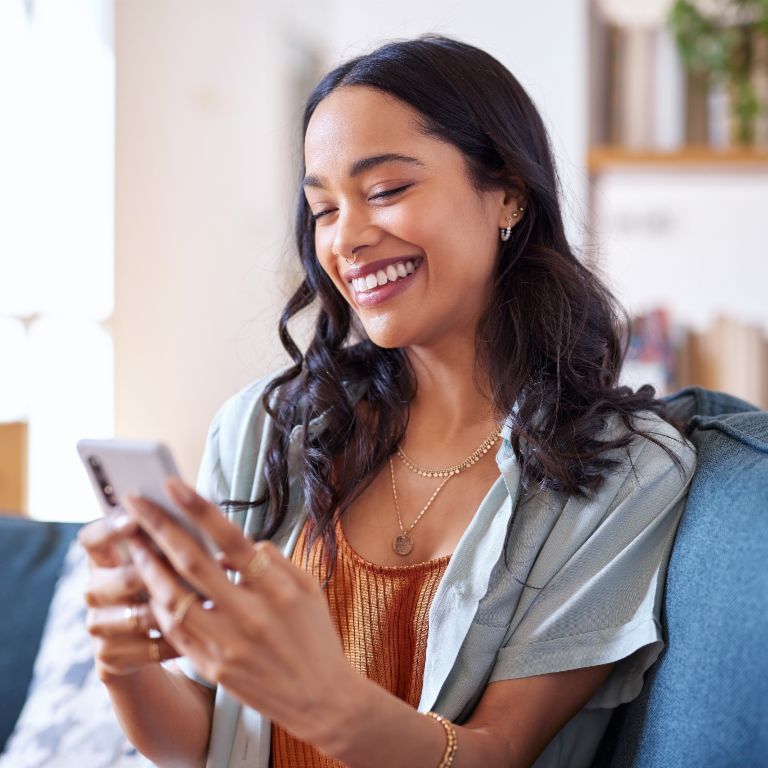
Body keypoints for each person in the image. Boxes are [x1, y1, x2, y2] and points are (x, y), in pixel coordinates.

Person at [79, 35, 696, 768]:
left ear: (508, 193)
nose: (347, 239)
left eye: (386, 191)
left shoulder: (621, 471)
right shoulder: (265, 428)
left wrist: (324, 702)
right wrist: (123, 664)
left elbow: (499, 753)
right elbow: (207, 739)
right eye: (323, 208)